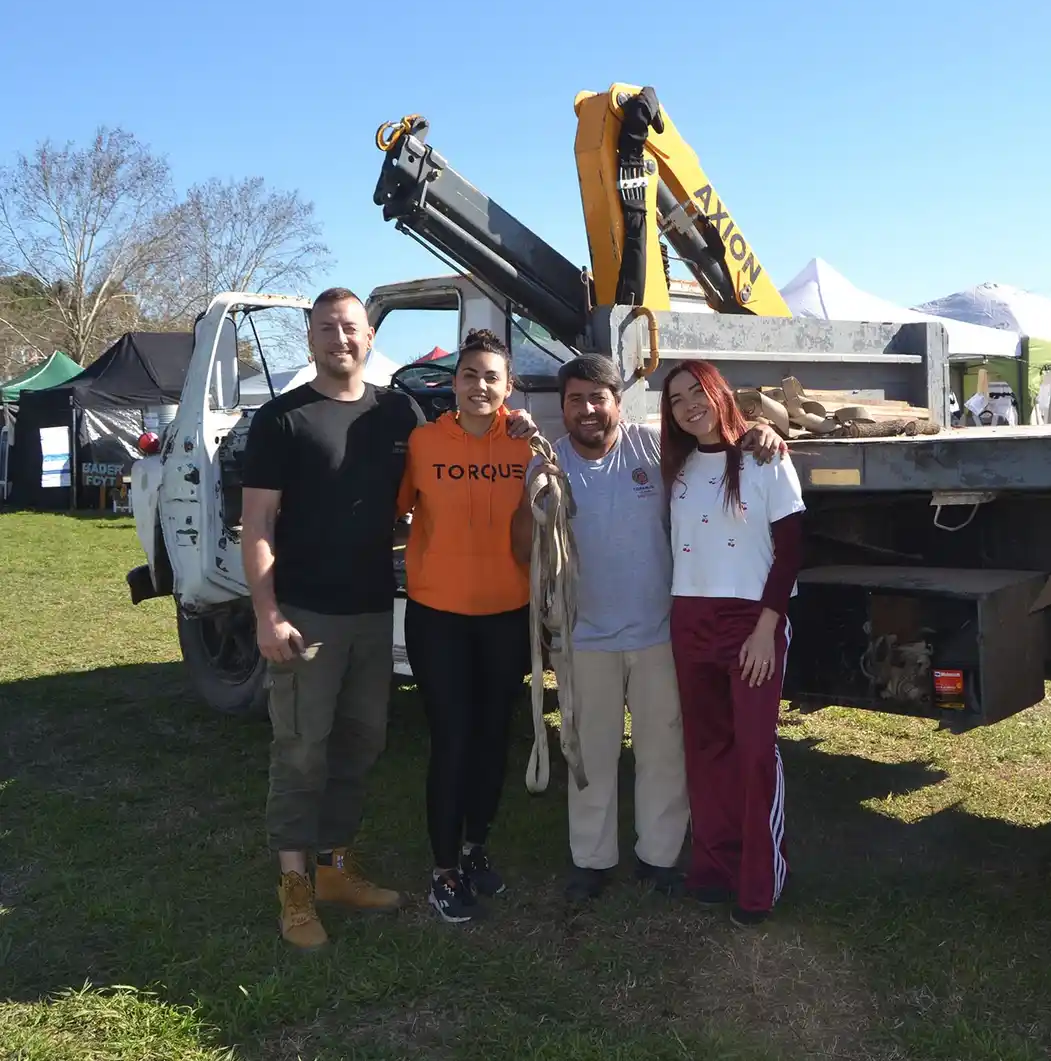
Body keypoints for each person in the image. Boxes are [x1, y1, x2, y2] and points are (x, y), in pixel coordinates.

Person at [240, 288, 533, 951]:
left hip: (374, 608)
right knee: (301, 747)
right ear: (310, 336)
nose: (340, 338)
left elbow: (442, 468)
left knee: (360, 742)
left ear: (370, 336)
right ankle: (293, 886)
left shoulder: (397, 411)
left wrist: (514, 422)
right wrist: (267, 613)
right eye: (326, 328)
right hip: (306, 611)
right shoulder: (282, 419)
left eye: (351, 328)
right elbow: (256, 523)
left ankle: (336, 869)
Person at [510, 353, 787, 904]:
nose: (587, 410)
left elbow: (714, 439)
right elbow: (523, 550)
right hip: (584, 637)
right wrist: (529, 495)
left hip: (659, 633)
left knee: (663, 750)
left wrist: (762, 428)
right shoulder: (550, 463)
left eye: (598, 398)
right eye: (575, 400)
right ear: (562, 408)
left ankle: (659, 857)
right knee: (589, 754)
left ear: (618, 402)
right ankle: (592, 860)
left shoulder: (653, 447)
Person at [396, 328, 535, 923]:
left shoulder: (527, 445)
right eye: (469, 375)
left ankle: (477, 847)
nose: (479, 385)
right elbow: (394, 513)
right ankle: (444, 869)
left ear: (508, 387)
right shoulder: (424, 442)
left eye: (491, 377)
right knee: (452, 740)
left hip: (508, 615)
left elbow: (552, 514)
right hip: (440, 618)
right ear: (453, 384)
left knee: (493, 738)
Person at [660, 358, 805, 927]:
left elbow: (790, 550)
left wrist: (767, 630)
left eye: (697, 390)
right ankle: (714, 868)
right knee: (706, 749)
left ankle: (760, 880)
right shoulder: (674, 464)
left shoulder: (764, 457)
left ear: (718, 391)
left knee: (752, 751)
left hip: (750, 621)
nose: (688, 404)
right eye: (675, 399)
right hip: (689, 618)